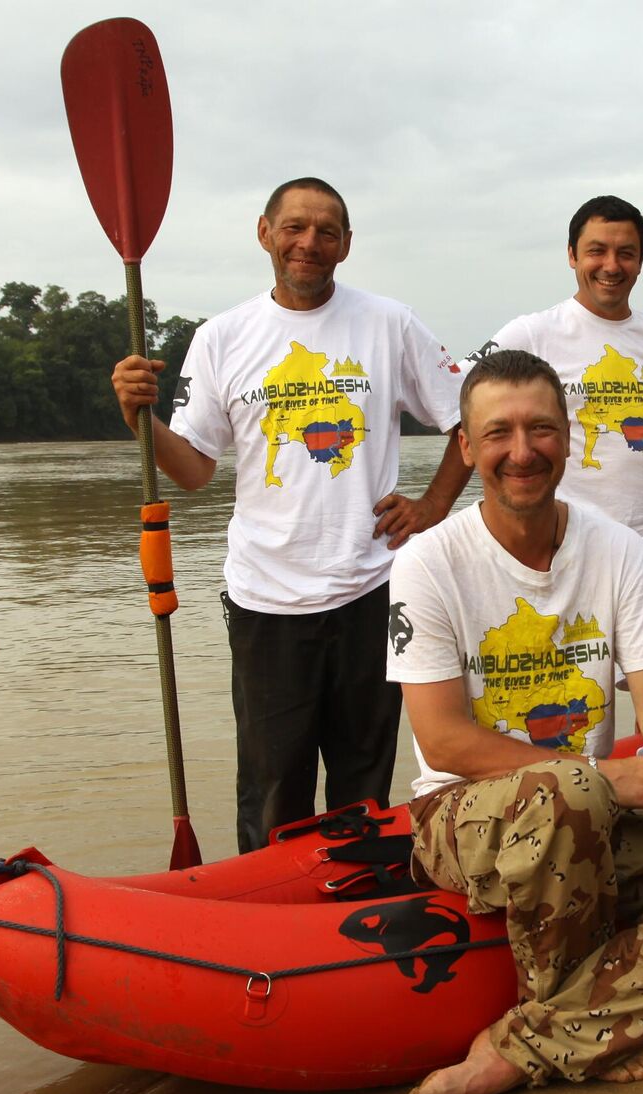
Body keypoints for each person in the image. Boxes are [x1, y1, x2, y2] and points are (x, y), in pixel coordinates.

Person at [387, 348, 643, 1094]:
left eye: (540, 430)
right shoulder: (429, 561)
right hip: (458, 819)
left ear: (569, 438)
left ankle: (522, 1047)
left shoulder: (619, 550)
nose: (521, 452)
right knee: (575, 787)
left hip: (582, 810)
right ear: (465, 447)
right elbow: (444, 738)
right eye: (498, 433)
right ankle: (600, 1029)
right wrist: (603, 778)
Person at [111, 177, 472, 852]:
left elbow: (467, 419)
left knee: (364, 783)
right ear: (265, 233)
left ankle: (356, 910)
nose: (309, 243)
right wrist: (141, 417)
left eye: (326, 231)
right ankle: (272, 919)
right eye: (295, 228)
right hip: (265, 602)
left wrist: (433, 506)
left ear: (345, 245)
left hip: (372, 589)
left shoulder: (389, 323)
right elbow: (193, 470)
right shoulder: (222, 337)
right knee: (273, 789)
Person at [475, 195, 643, 535]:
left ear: (641, 261)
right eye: (596, 251)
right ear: (572, 255)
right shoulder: (532, 333)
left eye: (626, 253)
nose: (611, 266)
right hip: (562, 539)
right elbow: (457, 393)